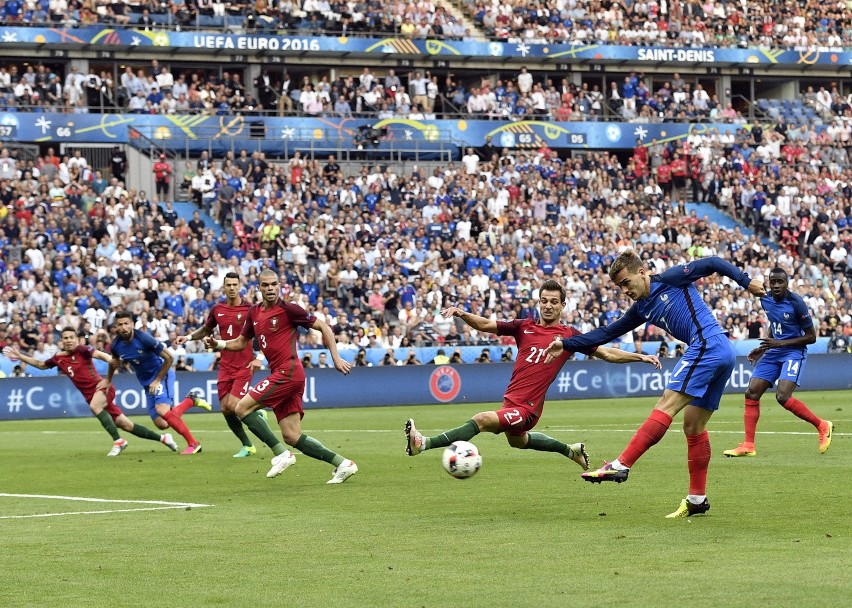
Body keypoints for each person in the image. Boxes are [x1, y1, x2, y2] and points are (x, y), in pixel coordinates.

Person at [544, 251, 765, 518]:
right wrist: (566, 343)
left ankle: (622, 464)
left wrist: (745, 281)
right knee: (693, 425)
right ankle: (697, 498)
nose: (624, 290)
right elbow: (606, 333)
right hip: (721, 351)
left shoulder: (670, 278)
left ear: (641, 272)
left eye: (626, 283)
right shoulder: (642, 308)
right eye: (619, 287)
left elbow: (711, 263)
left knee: (666, 404)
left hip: (708, 345)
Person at [405, 279, 661, 469]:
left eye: (553, 302)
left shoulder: (569, 336)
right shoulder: (523, 327)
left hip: (527, 410)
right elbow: (485, 324)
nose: (548, 306)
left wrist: (640, 356)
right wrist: (462, 313)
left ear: (563, 305)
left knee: (481, 419)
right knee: (518, 442)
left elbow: (607, 354)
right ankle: (571, 451)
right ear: (538, 302)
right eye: (544, 301)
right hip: (511, 402)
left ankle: (423, 444)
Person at [206, 269, 358, 484]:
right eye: (265, 285)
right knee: (292, 436)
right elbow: (240, 342)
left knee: (240, 407)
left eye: (274, 284)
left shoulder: (289, 309)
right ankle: (343, 464)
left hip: (288, 372)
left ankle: (280, 453)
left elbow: (322, 326)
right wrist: (218, 344)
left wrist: (335, 357)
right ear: (258, 287)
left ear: (279, 286)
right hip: (284, 374)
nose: (270, 288)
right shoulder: (254, 313)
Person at [6, 328, 179, 456]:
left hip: (103, 388)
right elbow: (41, 365)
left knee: (95, 407)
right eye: (65, 338)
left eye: (71, 337)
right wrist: (21, 356)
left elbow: (101, 355)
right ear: (62, 341)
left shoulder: (83, 350)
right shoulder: (58, 358)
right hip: (91, 395)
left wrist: (111, 360)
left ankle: (118, 441)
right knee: (125, 424)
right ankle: (164, 439)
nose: (68, 340)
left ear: (77, 339)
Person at [724, 267, 832, 457]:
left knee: (782, 396)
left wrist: (779, 343)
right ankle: (749, 445)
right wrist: (764, 348)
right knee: (751, 392)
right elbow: (776, 325)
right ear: (768, 282)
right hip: (774, 350)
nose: (775, 285)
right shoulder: (765, 299)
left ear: (786, 283)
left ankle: (822, 425)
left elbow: (811, 337)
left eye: (779, 282)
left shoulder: (796, 302)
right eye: (772, 281)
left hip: (793, 352)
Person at [176, 271, 274, 458]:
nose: (231, 288)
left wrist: (260, 357)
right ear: (223, 287)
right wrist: (187, 337)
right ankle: (247, 445)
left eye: (234, 285)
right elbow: (206, 330)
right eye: (228, 285)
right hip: (226, 366)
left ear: (239, 286)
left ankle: (256, 410)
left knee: (235, 405)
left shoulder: (251, 309)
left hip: (244, 365)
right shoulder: (217, 309)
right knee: (225, 409)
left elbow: (264, 335)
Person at [101, 311, 210, 455]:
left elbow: (169, 358)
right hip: (147, 383)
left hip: (161, 375)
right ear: (115, 327)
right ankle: (190, 400)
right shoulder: (116, 345)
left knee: (161, 409)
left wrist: (157, 380)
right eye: (120, 325)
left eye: (126, 323)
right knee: (162, 424)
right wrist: (108, 380)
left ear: (132, 324)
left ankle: (193, 443)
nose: (123, 327)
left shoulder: (144, 339)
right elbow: (114, 362)